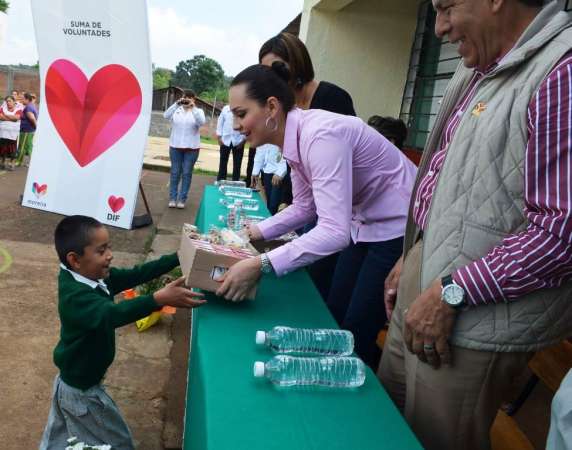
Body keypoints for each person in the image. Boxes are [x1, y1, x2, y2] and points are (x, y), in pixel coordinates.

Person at [377, 1, 572, 449]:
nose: (440, 29)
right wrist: (415, 254)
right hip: (433, 283)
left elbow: (560, 233)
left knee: (432, 438)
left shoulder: (560, 73)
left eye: (446, 8)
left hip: (472, 312)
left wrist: (451, 291)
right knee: (385, 420)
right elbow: (456, 188)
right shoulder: (480, 67)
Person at [215, 63, 417, 369]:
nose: (237, 125)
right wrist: (254, 233)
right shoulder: (295, 137)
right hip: (361, 224)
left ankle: (361, 402)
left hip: (398, 227)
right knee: (334, 311)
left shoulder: (321, 136)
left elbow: (334, 231)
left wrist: (261, 264)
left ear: (272, 106)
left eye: (242, 114)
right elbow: (305, 207)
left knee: (357, 327)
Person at [39, 215, 206, 449]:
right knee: (118, 442)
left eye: (109, 247)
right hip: (81, 390)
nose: (110, 255)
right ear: (75, 260)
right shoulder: (75, 296)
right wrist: (157, 299)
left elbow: (136, 274)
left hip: (74, 384)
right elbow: (111, 315)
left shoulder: (94, 277)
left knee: (60, 435)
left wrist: (178, 257)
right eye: (101, 251)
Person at [259, 32, 357, 302]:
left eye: (277, 68)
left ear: (296, 64)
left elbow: (335, 165)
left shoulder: (332, 98)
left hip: (333, 207)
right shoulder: (284, 104)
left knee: (320, 276)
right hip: (305, 203)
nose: (271, 79)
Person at [164, 90, 206, 209]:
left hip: (191, 148)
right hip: (175, 147)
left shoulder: (198, 111)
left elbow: (201, 122)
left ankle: (182, 199)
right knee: (175, 173)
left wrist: (193, 108)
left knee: (187, 173)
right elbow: (166, 115)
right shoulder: (176, 110)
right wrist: (176, 104)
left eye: (189, 98)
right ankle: (172, 198)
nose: (186, 100)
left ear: (194, 99)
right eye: (184, 98)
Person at [251, 144, 287, 215]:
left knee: (275, 205)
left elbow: (288, 151)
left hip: (281, 173)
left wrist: (280, 172)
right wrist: (255, 171)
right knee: (269, 204)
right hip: (267, 170)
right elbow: (261, 150)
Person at [216, 104, 245, 181]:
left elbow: (246, 124)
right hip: (225, 140)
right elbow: (220, 123)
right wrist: (219, 137)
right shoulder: (225, 108)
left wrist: (243, 140)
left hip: (239, 141)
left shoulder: (244, 108)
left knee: (237, 164)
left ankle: (235, 182)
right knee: (223, 162)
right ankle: (221, 181)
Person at [0, 95, 23, 171]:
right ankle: (2, 162)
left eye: (10, 101)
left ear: (14, 101)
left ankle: (12, 163)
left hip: (13, 134)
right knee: (3, 149)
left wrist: (5, 116)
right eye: (7, 101)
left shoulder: (19, 108)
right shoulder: (2, 108)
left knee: (12, 149)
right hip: (3, 132)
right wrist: (11, 117)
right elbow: (1, 117)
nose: (8, 103)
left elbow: (16, 118)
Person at [16, 92, 38, 167]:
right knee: (28, 146)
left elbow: (32, 118)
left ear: (27, 99)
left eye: (23, 99)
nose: (21, 100)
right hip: (29, 130)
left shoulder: (28, 107)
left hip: (26, 131)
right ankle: (31, 162)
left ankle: (18, 161)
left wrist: (36, 127)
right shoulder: (31, 106)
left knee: (23, 147)